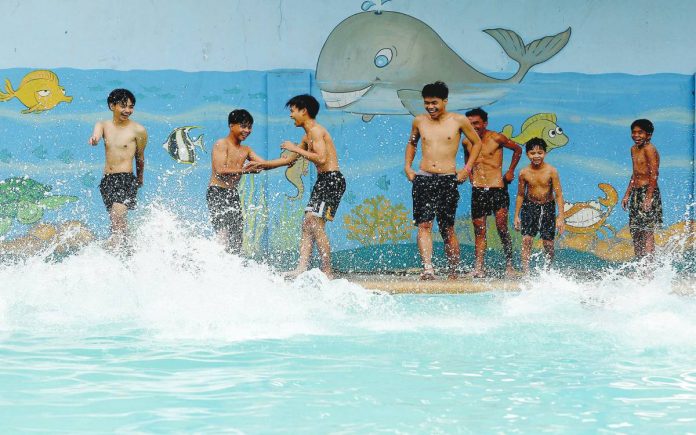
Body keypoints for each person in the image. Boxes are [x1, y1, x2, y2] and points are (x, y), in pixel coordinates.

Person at [248, 94, 345, 279]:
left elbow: (322, 158)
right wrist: (262, 165)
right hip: (323, 180)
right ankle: (301, 268)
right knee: (307, 223)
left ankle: (327, 271)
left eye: (293, 111)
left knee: (315, 223)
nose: (291, 115)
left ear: (304, 111)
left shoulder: (316, 131)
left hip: (332, 180)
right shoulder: (307, 135)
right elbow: (289, 161)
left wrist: (296, 148)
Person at [404, 81, 483, 280]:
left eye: (434, 103)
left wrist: (466, 169)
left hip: (448, 179)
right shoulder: (419, 121)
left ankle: (453, 270)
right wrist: (408, 166)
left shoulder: (459, 120)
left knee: (447, 228)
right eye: (426, 103)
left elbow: (477, 143)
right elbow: (412, 144)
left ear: (445, 101)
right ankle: (428, 269)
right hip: (424, 178)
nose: (430, 107)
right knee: (424, 225)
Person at [463, 108, 522, 277]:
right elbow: (468, 160)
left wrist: (510, 171)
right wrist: (471, 177)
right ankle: (479, 268)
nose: (473, 127)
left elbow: (518, 150)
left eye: (476, 123)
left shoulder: (496, 137)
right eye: (470, 124)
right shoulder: (467, 142)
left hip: (498, 189)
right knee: (479, 231)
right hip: (479, 190)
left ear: (485, 123)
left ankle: (509, 264)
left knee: (501, 227)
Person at [88, 88, 148, 250]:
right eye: (123, 106)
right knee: (117, 221)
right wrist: (94, 139)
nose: (128, 110)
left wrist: (140, 178)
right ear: (111, 106)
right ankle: (129, 249)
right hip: (108, 181)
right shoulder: (103, 125)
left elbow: (140, 157)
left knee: (117, 217)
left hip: (126, 179)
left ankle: (116, 250)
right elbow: (97, 134)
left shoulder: (138, 130)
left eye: (131, 106)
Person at [207, 109, 265, 254]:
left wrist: (288, 160)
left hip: (232, 194)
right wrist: (245, 170)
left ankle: (233, 268)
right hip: (217, 192)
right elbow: (220, 170)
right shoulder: (222, 144)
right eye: (243, 126)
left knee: (237, 235)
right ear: (231, 125)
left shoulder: (246, 149)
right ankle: (215, 264)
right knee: (223, 233)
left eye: (249, 127)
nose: (247, 130)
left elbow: (264, 164)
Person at [514, 138, 565, 273]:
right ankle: (526, 272)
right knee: (527, 239)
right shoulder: (523, 172)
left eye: (540, 153)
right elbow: (520, 194)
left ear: (545, 153)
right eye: (532, 153)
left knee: (548, 243)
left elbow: (559, 195)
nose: (536, 156)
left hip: (548, 207)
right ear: (527, 155)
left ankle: (548, 270)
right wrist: (516, 216)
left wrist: (561, 217)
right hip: (530, 206)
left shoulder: (551, 171)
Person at [621, 119, 662, 259]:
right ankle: (640, 265)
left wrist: (649, 197)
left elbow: (654, 174)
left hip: (648, 192)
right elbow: (635, 173)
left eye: (640, 133)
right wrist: (627, 194)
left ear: (648, 135)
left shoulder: (650, 149)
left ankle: (649, 270)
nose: (636, 135)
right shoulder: (633, 149)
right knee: (635, 231)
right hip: (636, 193)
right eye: (634, 132)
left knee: (647, 231)